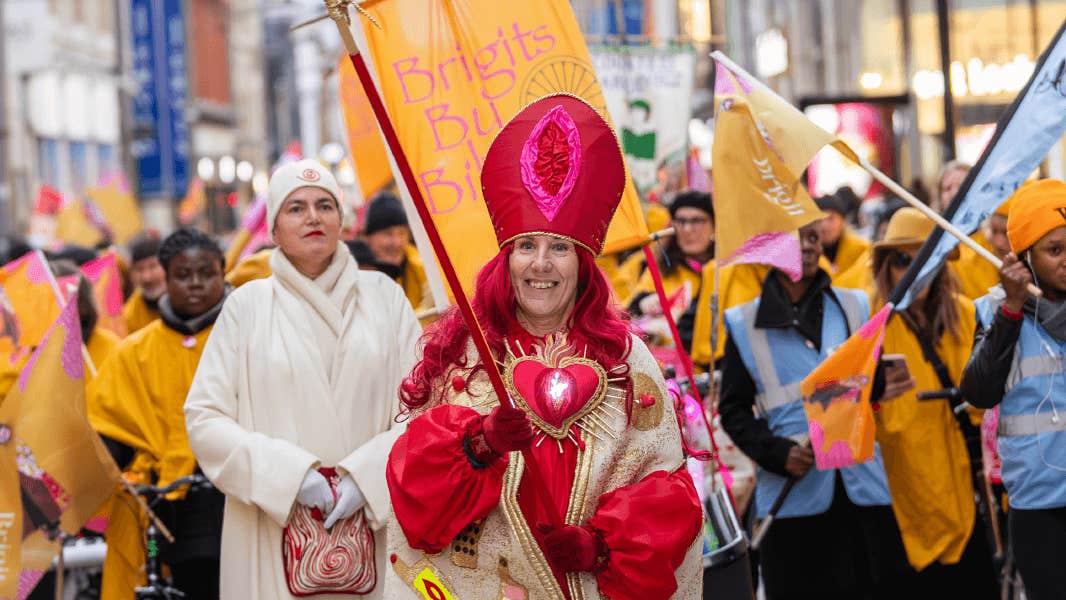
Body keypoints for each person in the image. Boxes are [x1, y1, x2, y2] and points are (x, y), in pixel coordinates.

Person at [384, 94, 703, 599]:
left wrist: (601, 548)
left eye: (559, 248)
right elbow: (413, 486)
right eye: (527, 247)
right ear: (506, 259)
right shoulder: (465, 353)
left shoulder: (626, 359)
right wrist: (477, 444)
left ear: (582, 264)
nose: (541, 264)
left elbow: (667, 488)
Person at [183, 159, 421, 600]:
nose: (313, 216)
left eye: (325, 205)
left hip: (377, 520)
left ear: (342, 221)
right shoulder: (246, 307)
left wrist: (367, 479)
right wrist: (290, 477)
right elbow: (204, 417)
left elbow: (422, 409)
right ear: (273, 229)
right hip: (272, 526)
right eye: (296, 207)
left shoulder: (386, 299)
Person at [718, 222, 914, 600]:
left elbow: (868, 383)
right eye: (793, 238)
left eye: (812, 237)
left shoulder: (855, 305)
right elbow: (734, 410)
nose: (806, 246)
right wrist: (778, 453)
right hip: (794, 496)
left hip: (864, 492)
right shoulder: (743, 324)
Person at [89, 228, 230, 598]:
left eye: (207, 273)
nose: (195, 284)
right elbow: (109, 432)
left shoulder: (251, 337)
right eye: (183, 275)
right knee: (156, 576)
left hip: (238, 503)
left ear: (224, 273)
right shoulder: (133, 352)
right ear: (165, 279)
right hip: (161, 516)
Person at [867, 208, 997, 597]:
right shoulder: (870, 328)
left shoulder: (966, 314)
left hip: (966, 491)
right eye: (903, 260)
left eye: (925, 258)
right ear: (885, 266)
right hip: (902, 498)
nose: (914, 271)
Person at [962, 179, 1066, 600]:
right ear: (1024, 258)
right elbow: (980, 391)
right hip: (1039, 508)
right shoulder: (993, 309)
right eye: (1054, 250)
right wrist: (1010, 310)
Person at [627, 191, 714, 353]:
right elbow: (629, 311)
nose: (687, 229)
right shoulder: (662, 266)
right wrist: (643, 302)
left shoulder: (725, 268)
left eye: (697, 221)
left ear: (714, 225)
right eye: (681, 221)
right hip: (671, 364)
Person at [362, 192, 431, 311]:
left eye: (402, 233)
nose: (397, 242)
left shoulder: (426, 270)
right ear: (368, 238)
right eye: (387, 234)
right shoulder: (356, 277)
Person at [815, 189, 870, 278]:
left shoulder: (861, 250)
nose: (824, 225)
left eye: (830, 218)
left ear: (842, 221)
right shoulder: (806, 254)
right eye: (819, 219)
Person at [122, 233, 166, 333]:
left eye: (153, 266)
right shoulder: (129, 316)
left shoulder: (188, 302)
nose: (147, 277)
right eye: (139, 269)